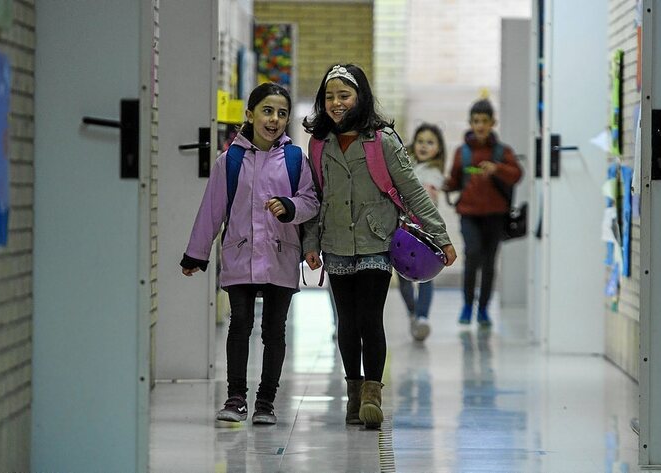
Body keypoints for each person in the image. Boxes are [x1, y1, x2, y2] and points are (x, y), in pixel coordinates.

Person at [301, 64, 457, 429]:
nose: (337, 103)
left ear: (360, 98)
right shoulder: (319, 143)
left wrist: (441, 237)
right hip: (336, 242)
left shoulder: (382, 140)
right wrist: (310, 243)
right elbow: (314, 196)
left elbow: (412, 190)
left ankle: (372, 393)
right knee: (346, 321)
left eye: (344, 95)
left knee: (370, 317)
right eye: (329, 96)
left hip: (376, 240)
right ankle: (353, 393)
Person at [180, 82, 319, 425]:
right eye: (267, 111)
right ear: (250, 114)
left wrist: (290, 207)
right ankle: (236, 397)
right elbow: (212, 210)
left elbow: (311, 201)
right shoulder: (230, 161)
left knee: (274, 330)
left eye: (282, 113)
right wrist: (196, 254)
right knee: (240, 324)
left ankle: (266, 401)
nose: (274, 119)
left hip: (280, 254)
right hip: (240, 253)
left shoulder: (294, 160)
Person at [443, 98, 522, 328]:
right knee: (472, 254)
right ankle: (468, 305)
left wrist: (497, 169)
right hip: (469, 214)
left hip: (496, 215)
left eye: (484, 121)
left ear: (492, 123)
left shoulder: (502, 152)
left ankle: (484, 309)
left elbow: (517, 174)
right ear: (470, 123)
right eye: (476, 121)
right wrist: (442, 183)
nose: (480, 126)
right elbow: (455, 180)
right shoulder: (462, 152)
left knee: (489, 262)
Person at [397, 123, 447, 342]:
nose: (424, 146)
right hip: (403, 231)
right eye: (420, 141)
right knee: (403, 276)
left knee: (427, 275)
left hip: (426, 234)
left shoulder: (435, 172)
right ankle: (413, 312)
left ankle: (423, 317)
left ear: (438, 148)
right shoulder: (404, 164)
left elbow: (428, 192)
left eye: (430, 142)